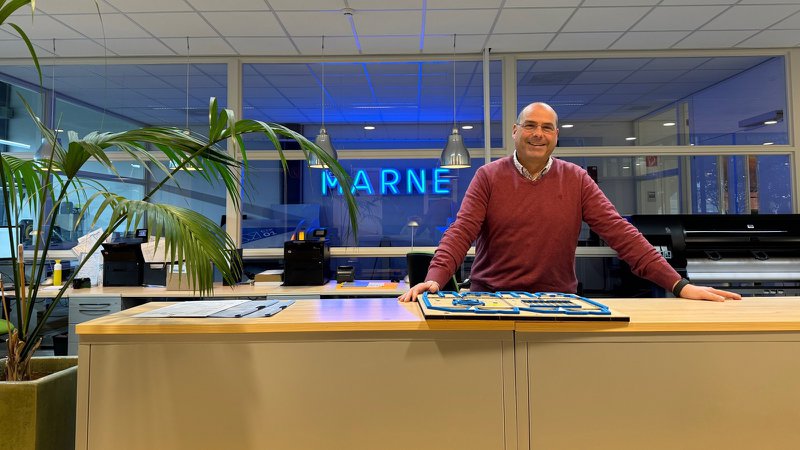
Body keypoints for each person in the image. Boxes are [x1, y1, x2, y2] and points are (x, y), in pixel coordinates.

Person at [399, 102, 741, 303]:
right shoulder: (489, 176)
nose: (538, 134)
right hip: (492, 298)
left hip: (557, 302)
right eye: (530, 126)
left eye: (547, 128)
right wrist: (436, 277)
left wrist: (679, 285)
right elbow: (461, 232)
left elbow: (622, 234)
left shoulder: (576, 179)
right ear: (515, 132)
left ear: (556, 136)